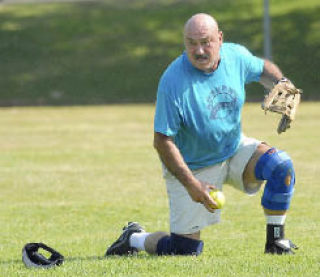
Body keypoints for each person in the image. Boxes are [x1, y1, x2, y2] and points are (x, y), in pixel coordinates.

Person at [105, 13, 298, 257]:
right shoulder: (173, 81)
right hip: (193, 167)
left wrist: (281, 82)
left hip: (233, 149)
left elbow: (262, 68)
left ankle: (276, 242)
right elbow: (162, 141)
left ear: (220, 39)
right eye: (191, 43)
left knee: (280, 166)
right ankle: (133, 238)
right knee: (184, 251)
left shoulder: (235, 56)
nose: (199, 50)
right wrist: (191, 184)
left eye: (206, 42)